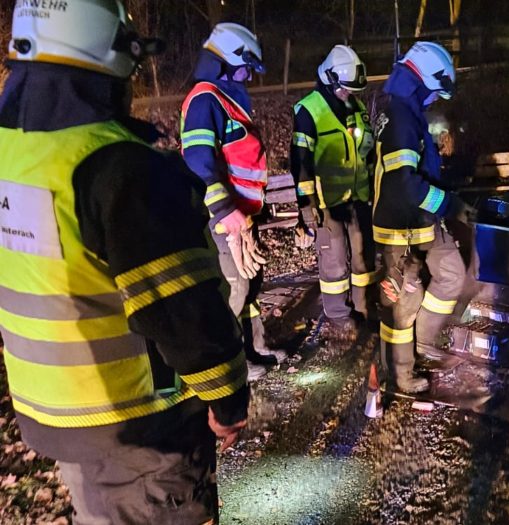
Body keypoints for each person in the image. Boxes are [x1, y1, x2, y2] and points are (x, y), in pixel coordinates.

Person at [0, 1, 248, 522]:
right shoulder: (121, 169)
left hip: (58, 419)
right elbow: (182, 310)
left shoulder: (12, 154)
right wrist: (227, 400)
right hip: (141, 430)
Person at [373, 42, 476, 393]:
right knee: (403, 303)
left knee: (452, 273)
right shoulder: (401, 117)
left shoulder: (407, 111)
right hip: (401, 226)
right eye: (434, 92)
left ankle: (423, 340)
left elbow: (418, 173)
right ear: (422, 80)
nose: (435, 101)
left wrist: (448, 202)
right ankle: (400, 373)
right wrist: (450, 205)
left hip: (422, 218)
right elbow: (405, 184)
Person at [180, 22, 278, 380]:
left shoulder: (224, 99)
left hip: (243, 215)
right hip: (222, 217)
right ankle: (227, 365)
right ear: (225, 61)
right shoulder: (205, 99)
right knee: (234, 286)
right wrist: (226, 211)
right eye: (245, 67)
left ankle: (255, 346)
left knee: (251, 281)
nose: (248, 76)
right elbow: (198, 161)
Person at [291, 45, 377, 338]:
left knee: (363, 256)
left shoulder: (356, 107)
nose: (348, 93)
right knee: (335, 259)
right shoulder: (309, 110)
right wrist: (306, 206)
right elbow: (300, 162)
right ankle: (338, 314)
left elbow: (366, 151)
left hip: (358, 197)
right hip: (326, 202)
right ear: (330, 78)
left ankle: (364, 307)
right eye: (345, 88)